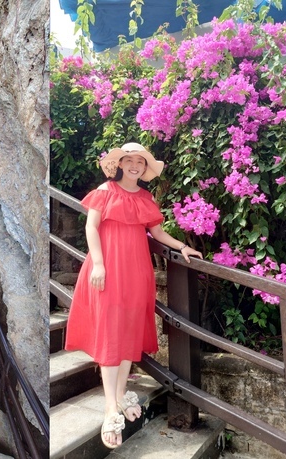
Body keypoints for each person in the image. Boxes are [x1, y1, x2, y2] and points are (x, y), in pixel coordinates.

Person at [64, 142, 202, 449]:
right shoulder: (105, 190)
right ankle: (111, 407)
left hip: (138, 272)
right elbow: (91, 227)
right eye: (130, 160)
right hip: (108, 268)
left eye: (140, 161)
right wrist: (98, 263)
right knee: (111, 331)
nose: (135, 165)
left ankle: (120, 392)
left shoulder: (145, 197)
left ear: (144, 166)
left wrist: (181, 247)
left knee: (128, 331)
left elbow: (158, 233)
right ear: (121, 164)